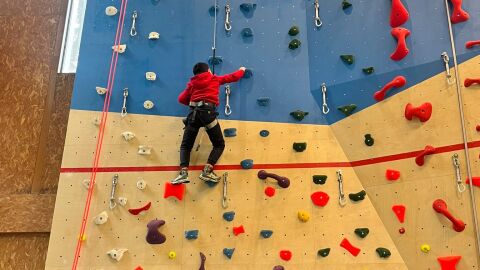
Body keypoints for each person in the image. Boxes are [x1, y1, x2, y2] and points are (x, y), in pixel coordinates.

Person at [171, 62, 246, 184]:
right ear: (208, 71)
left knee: (186, 146)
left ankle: (183, 173)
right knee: (219, 144)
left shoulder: (192, 84)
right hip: (208, 114)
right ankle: (207, 170)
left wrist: (194, 103)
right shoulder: (214, 78)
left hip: (193, 115)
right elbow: (233, 77)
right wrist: (242, 70)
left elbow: (181, 99)